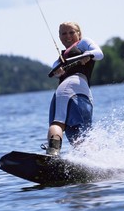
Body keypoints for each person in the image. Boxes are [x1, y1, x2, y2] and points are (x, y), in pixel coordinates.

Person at [44, 21, 104, 155]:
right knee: (78, 134)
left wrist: (87, 55)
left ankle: (52, 153)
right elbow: (53, 70)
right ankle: (92, 160)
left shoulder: (83, 43)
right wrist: (57, 71)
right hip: (78, 91)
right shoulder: (60, 59)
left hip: (73, 89)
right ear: (59, 37)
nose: (68, 36)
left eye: (71, 32)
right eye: (63, 33)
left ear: (79, 34)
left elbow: (99, 53)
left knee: (58, 123)